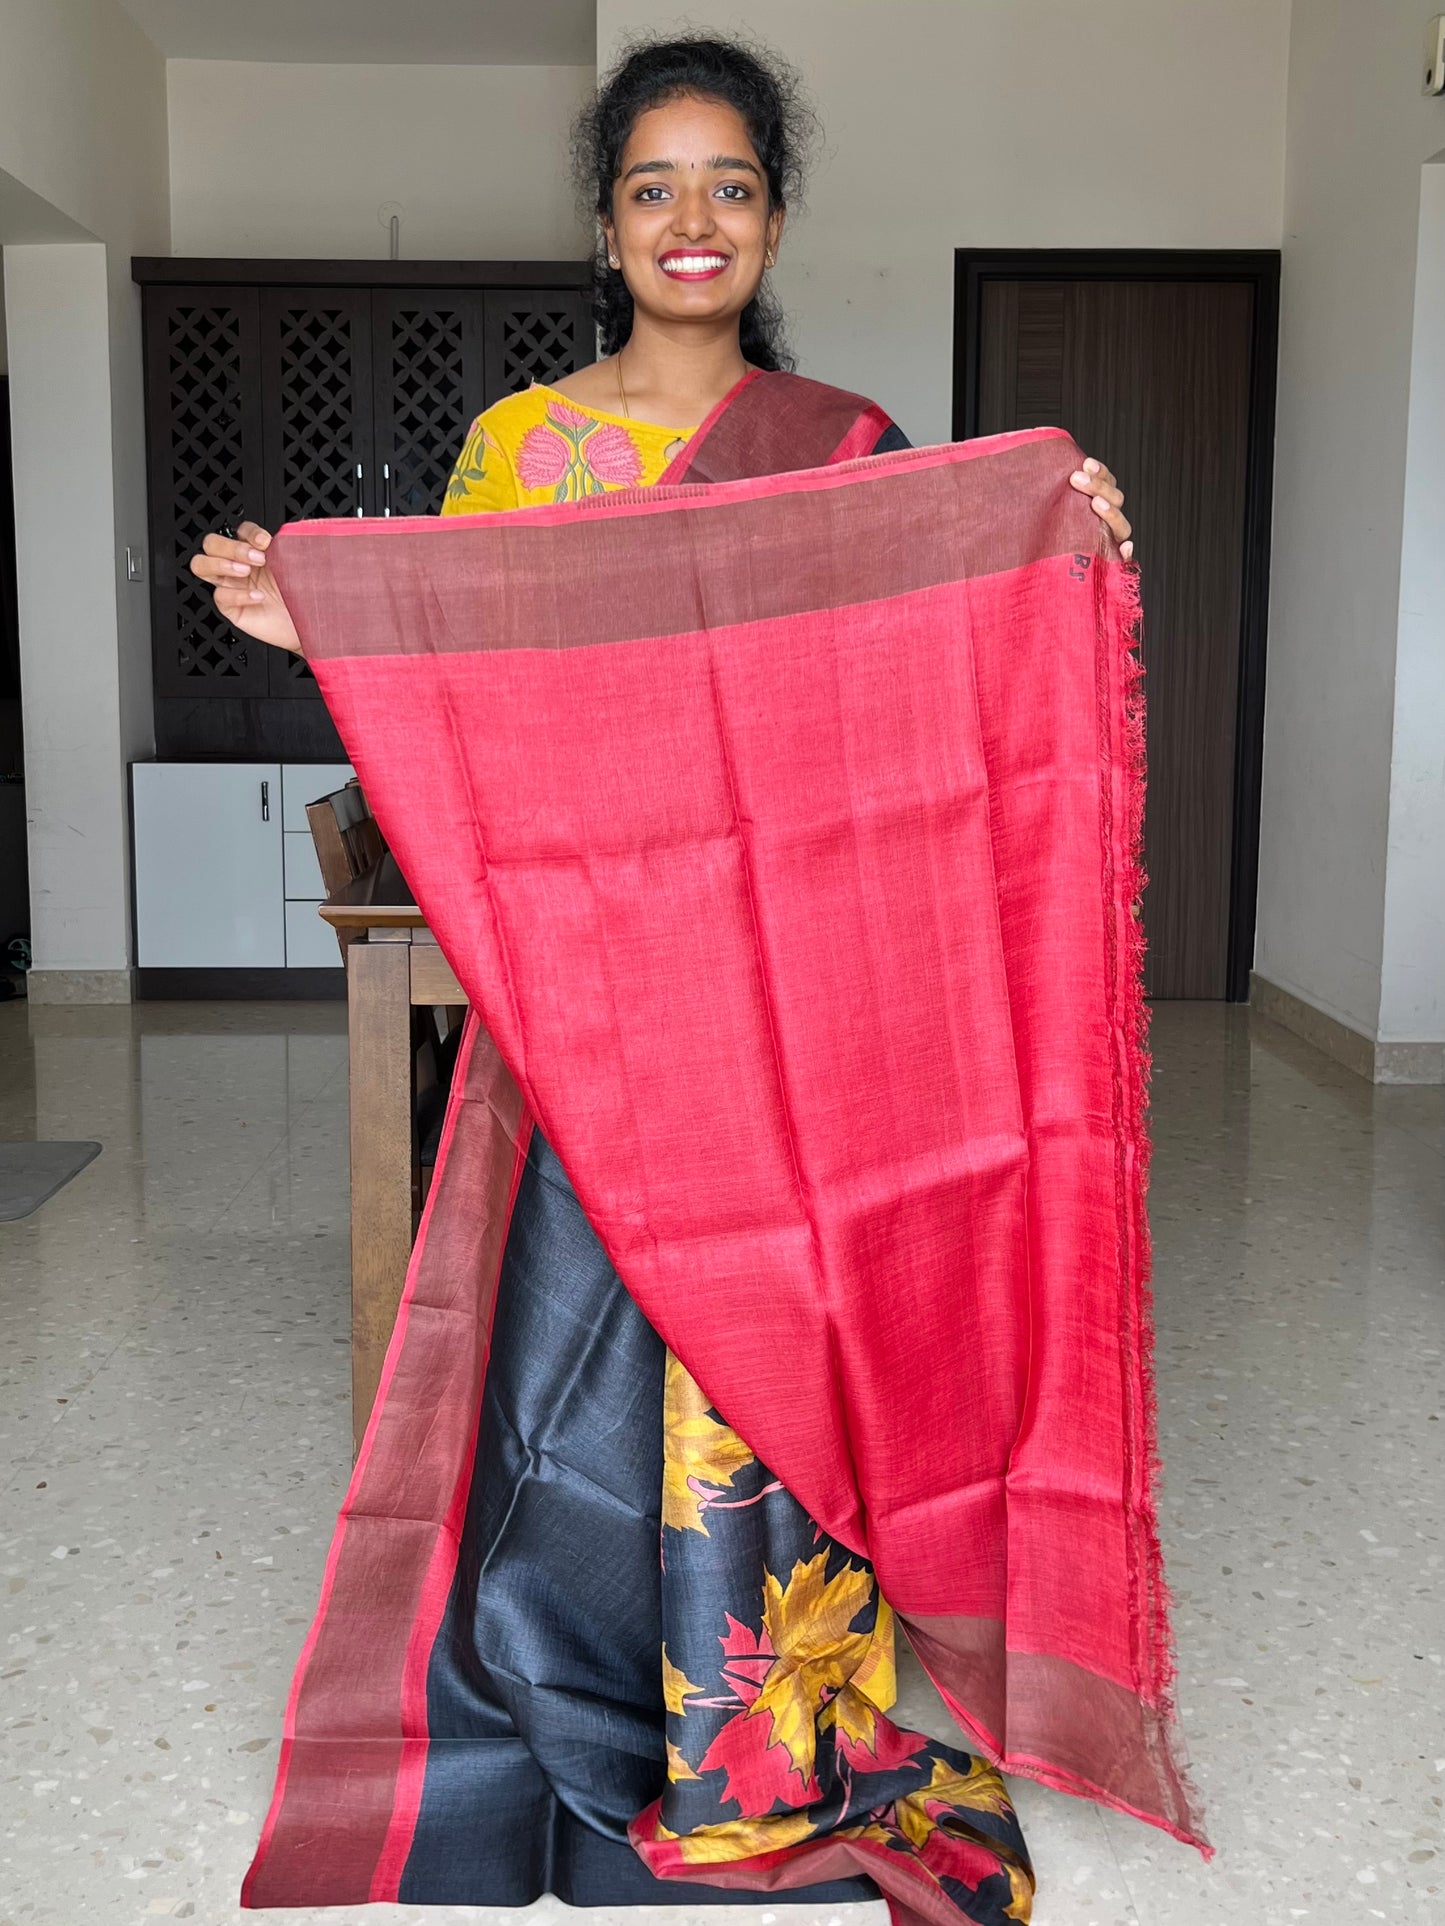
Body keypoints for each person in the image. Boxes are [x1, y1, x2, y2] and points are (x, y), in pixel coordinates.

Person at [196, 36, 1134, 1926]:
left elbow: (909, 727)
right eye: (651, 186)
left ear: (773, 215)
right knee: (570, 1376)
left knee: (758, 1364)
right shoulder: (518, 452)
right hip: (591, 1000)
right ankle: (573, 1703)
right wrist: (335, 626)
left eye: (726, 184)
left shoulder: (850, 452)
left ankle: (771, 1736)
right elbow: (469, 708)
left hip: (787, 1010)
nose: (689, 219)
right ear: (604, 222)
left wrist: (1056, 553)